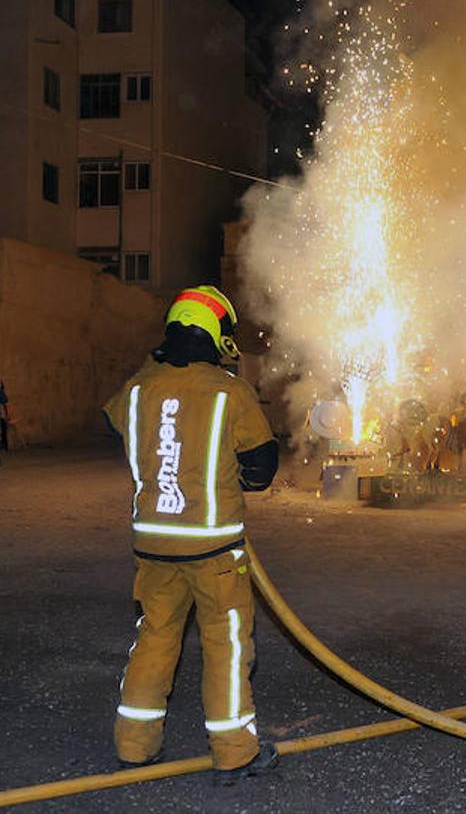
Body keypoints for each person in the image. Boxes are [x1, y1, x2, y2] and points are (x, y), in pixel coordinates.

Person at [102, 285, 280, 785]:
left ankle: (134, 745)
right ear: (217, 334)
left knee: (156, 638)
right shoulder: (229, 391)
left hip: (153, 544)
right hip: (213, 547)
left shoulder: (138, 387)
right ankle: (235, 751)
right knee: (225, 644)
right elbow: (261, 467)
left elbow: (118, 426)